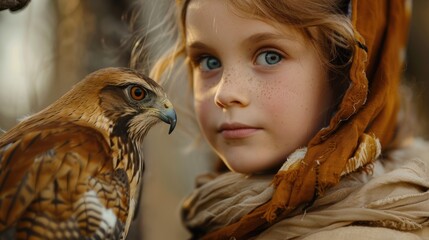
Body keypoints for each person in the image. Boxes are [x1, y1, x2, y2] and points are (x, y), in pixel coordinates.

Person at [143, 0, 429, 239]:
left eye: (269, 56)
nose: (225, 93)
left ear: (348, 72)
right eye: (209, 62)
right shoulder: (222, 209)